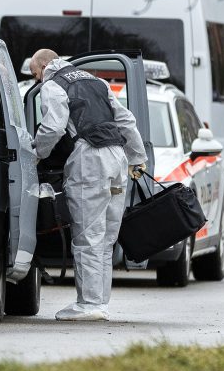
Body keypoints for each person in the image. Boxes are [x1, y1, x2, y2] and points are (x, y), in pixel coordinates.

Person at [29, 49, 147, 321]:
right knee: (105, 238)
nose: (37, 80)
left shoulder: (53, 85)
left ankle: (89, 305)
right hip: (117, 159)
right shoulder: (97, 82)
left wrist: (36, 155)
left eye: (36, 74)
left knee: (88, 235)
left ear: (44, 66)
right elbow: (126, 120)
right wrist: (137, 158)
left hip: (90, 161)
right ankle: (100, 303)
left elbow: (53, 128)